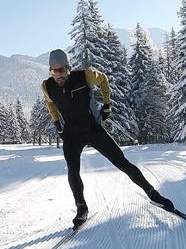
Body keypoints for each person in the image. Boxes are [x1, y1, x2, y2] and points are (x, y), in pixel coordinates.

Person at [40, 48, 175, 227]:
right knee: (73, 171)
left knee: (121, 162)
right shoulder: (47, 86)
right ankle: (81, 209)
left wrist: (107, 105)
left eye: (61, 70)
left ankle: (153, 194)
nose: (58, 75)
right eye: (53, 71)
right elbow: (50, 105)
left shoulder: (85, 76)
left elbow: (103, 78)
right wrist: (57, 123)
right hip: (72, 134)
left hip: (93, 129)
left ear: (68, 67)